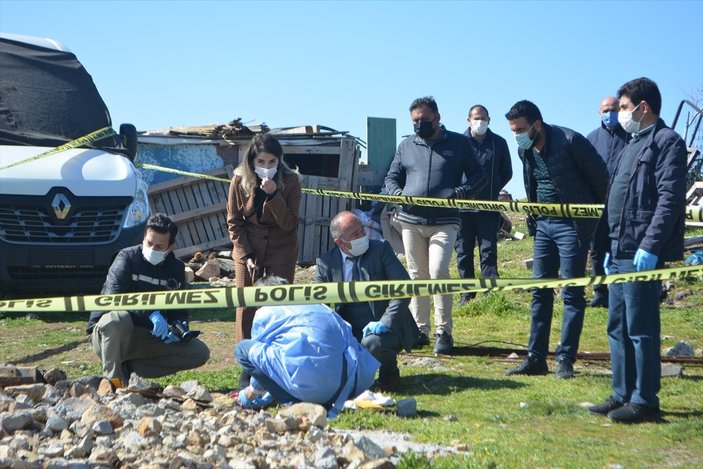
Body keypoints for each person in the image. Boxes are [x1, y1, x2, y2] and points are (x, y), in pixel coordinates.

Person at [588, 78, 687, 423]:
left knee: (640, 327)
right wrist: (604, 245)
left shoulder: (667, 142)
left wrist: (650, 245)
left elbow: (669, 200)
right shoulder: (631, 143)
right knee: (617, 325)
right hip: (617, 248)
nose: (620, 114)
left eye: (625, 107)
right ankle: (621, 393)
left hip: (640, 250)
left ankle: (645, 399)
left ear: (643, 108)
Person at [505, 100, 608, 379]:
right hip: (543, 226)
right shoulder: (525, 150)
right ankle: (536, 358)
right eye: (513, 130)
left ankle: (565, 359)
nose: (517, 135)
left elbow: (601, 180)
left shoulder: (571, 140)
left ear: (537, 125)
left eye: (521, 129)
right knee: (540, 290)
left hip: (571, 227)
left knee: (572, 292)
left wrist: (587, 219)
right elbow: (532, 183)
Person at [384, 96, 486, 356]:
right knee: (417, 276)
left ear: (437, 118)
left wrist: (461, 191)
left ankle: (444, 331)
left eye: (424, 120)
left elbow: (478, 175)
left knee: (439, 272)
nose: (420, 124)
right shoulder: (406, 145)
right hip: (410, 221)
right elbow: (392, 175)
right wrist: (396, 192)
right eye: (416, 121)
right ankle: (420, 330)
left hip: (445, 221)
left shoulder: (460, 143)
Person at [87, 213, 210, 388]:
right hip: (110, 335)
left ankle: (129, 369)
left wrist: (178, 326)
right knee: (117, 319)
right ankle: (112, 383)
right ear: (144, 237)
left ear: (170, 247)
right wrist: (150, 314)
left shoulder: (175, 268)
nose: (152, 249)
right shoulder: (126, 258)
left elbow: (179, 308)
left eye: (159, 246)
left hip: (147, 335)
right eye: (149, 243)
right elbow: (111, 300)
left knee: (198, 352)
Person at [234, 276, 380, 418]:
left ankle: (293, 400)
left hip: (312, 389)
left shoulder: (265, 312)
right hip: (351, 386)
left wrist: (249, 393)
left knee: (242, 349)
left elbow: (262, 362)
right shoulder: (319, 306)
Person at [315, 211, 419, 391]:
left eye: (362, 230)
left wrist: (385, 322)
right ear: (339, 242)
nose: (362, 236)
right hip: (348, 327)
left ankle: (389, 374)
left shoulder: (381, 249)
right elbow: (319, 306)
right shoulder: (325, 263)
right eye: (355, 234)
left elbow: (404, 288)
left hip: (384, 325)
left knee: (374, 343)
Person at [226, 133, 301, 348]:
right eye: (261, 161)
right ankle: (246, 358)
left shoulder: (292, 180)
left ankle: (277, 350)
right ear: (251, 161)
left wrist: (273, 195)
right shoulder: (238, 181)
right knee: (246, 304)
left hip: (282, 248)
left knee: (277, 302)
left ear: (279, 160)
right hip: (249, 247)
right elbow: (234, 222)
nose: (266, 166)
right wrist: (246, 255)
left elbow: (290, 222)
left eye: (272, 162)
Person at [455, 104, 513, 306]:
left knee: (488, 250)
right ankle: (467, 293)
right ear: (468, 120)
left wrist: (493, 187)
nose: (480, 121)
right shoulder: (459, 143)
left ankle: (490, 292)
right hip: (463, 209)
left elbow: (507, 172)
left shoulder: (499, 143)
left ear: (489, 120)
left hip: (488, 207)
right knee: (463, 251)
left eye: (483, 118)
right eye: (476, 118)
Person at [586, 97, 631, 308]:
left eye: (614, 109)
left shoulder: (631, 137)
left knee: (619, 248)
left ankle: (619, 293)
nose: (610, 113)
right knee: (597, 250)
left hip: (623, 206)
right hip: (598, 205)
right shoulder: (591, 139)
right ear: (598, 113)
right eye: (605, 110)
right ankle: (600, 293)